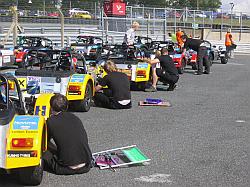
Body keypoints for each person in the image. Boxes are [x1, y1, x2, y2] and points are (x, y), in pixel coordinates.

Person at [43, 94, 92, 175]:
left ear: (51, 108)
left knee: (42, 150)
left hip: (65, 168)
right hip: (86, 165)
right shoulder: (75, 118)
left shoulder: (50, 121)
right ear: (66, 106)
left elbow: (44, 142)